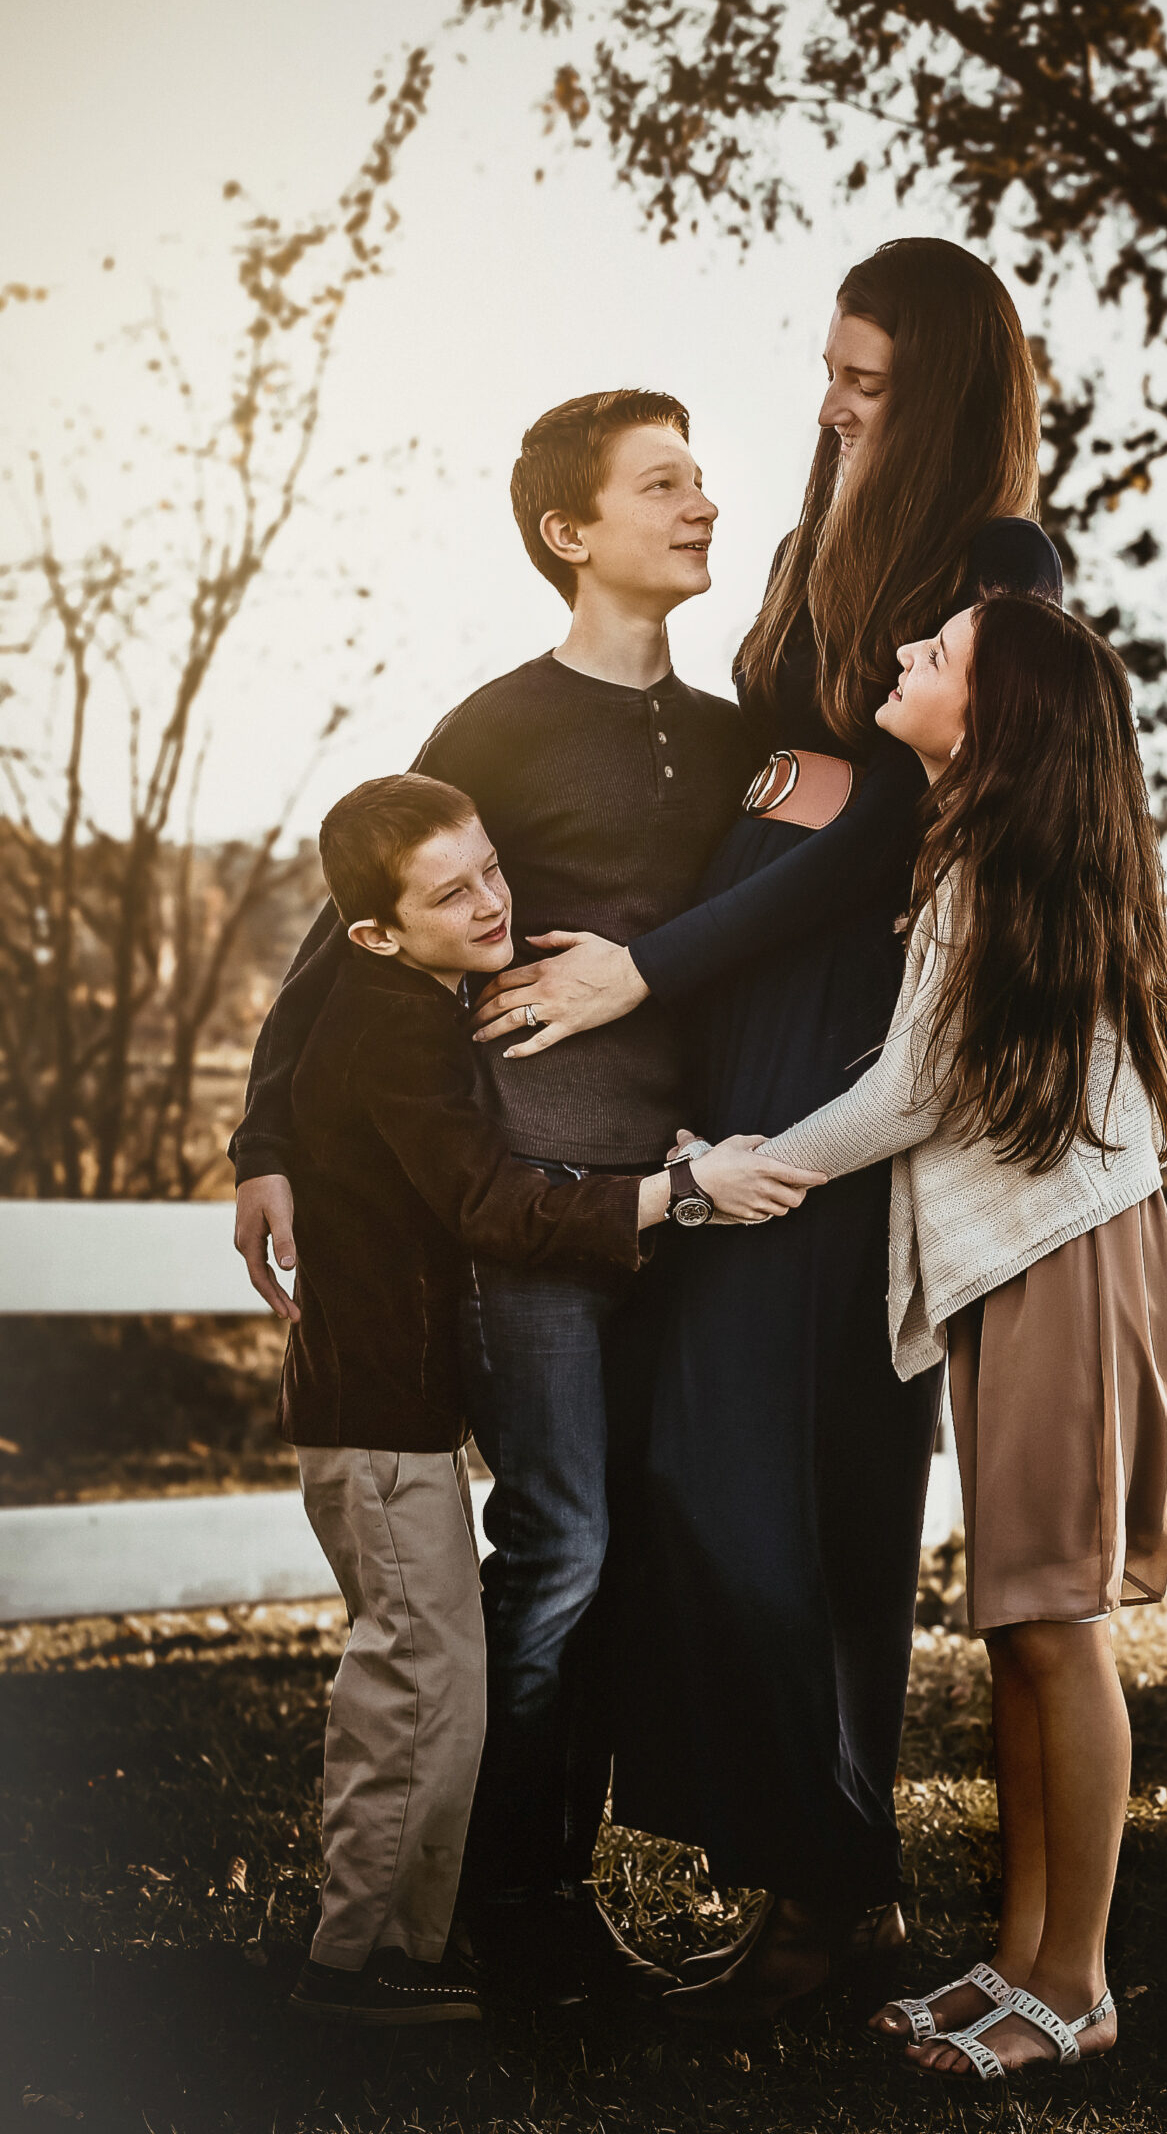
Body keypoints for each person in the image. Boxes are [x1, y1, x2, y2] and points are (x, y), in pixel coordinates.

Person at [472, 240, 1065, 2017]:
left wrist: (644, 971)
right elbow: (789, 781)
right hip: (729, 1054)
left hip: (834, 1061)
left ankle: (837, 1899)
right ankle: (790, 1864)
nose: (828, 404)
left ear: (946, 384)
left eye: (866, 381)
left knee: (815, 1471)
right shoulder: (822, 558)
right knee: (696, 1470)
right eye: (828, 369)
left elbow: (887, 827)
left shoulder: (994, 567)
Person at [229, 391, 769, 2006]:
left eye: (699, 475)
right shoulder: (495, 727)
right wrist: (264, 1140)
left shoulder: (738, 739)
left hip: (688, 1197)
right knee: (562, 1544)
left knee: (637, 1555)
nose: (701, 502)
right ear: (568, 532)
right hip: (528, 1210)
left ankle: (550, 1884)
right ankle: (501, 1900)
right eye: (660, 483)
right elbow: (348, 939)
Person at [282, 770, 813, 2025]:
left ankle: (401, 1940)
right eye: (449, 891)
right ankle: (356, 1968)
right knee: (415, 1679)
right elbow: (493, 1209)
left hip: (391, 1405)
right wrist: (682, 1194)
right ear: (372, 932)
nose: (489, 902)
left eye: (490, 868)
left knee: (432, 1676)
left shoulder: (399, 993)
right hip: (377, 1410)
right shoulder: (395, 1025)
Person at [761, 594, 1167, 2078]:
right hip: (1019, 1265)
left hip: (1062, 1258)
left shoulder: (1000, 857)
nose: (900, 663)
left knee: (1055, 1621)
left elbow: (909, 1091)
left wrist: (738, 1171)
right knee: (1018, 1623)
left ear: (994, 718)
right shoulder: (980, 849)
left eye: (932, 658)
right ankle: (1015, 1962)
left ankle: (1071, 1987)